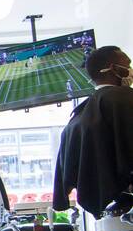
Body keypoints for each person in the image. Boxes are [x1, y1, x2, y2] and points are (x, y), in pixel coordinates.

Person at [53, 45, 133, 215]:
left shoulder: (78, 115)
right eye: (127, 65)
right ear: (113, 69)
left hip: (105, 201)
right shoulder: (125, 98)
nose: (130, 70)